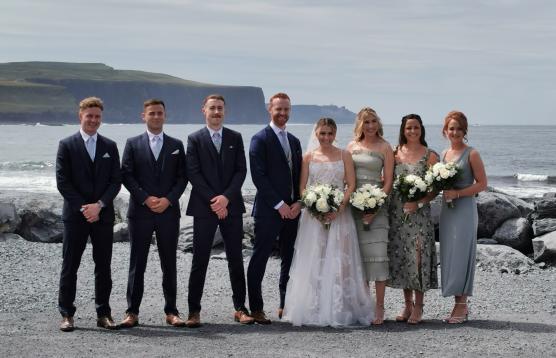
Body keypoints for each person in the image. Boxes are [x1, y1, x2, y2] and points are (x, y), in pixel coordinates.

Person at [282, 118, 374, 327]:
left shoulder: (344, 155)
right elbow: (303, 188)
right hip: (314, 219)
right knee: (315, 259)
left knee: (340, 262)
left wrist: (339, 208)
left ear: (335, 134)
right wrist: (315, 209)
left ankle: (339, 307)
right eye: (322, 133)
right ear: (316, 134)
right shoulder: (308, 157)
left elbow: (351, 184)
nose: (326, 138)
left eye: (330, 133)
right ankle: (314, 307)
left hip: (340, 216)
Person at [185, 94, 253, 327]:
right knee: (200, 259)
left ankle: (240, 308)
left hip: (231, 206)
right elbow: (193, 173)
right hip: (204, 208)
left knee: (236, 258)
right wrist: (215, 201)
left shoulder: (235, 137)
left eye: (220, 108)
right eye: (212, 108)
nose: (216, 112)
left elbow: (240, 171)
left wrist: (225, 198)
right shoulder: (194, 139)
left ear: (225, 111)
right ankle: (194, 311)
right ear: (203, 110)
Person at [120, 99, 188, 328]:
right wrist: (145, 198)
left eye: (160, 113)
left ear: (165, 116)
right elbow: (127, 175)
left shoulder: (176, 144)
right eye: (152, 113)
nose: (156, 116)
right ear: (144, 116)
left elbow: (182, 177)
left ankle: (172, 311)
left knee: (169, 263)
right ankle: (132, 312)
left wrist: (168, 199)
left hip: (168, 212)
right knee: (137, 263)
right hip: (140, 212)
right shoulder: (132, 143)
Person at [56, 97, 122, 332]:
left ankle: (103, 314)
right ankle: (66, 314)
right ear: (80, 116)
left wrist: (100, 205)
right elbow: (63, 182)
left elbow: (116, 180)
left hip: (102, 216)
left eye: (97, 117)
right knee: (70, 265)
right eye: (89, 116)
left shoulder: (110, 146)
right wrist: (85, 207)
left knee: (103, 266)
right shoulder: (67, 144)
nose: (93, 120)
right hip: (76, 216)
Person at [247, 92, 303, 324]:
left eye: (286, 109)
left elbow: (300, 176)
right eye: (278, 109)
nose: (282, 113)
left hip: (293, 211)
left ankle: (284, 304)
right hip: (269, 211)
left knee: (289, 258)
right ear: (270, 110)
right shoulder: (259, 139)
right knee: (259, 258)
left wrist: (298, 202)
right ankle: (257, 308)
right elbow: (258, 177)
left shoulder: (295, 142)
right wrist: (280, 205)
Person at [387, 114, 439, 324]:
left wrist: (418, 203)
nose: (412, 131)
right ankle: (407, 305)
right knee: (403, 257)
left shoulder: (430, 155)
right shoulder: (394, 153)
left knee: (418, 257)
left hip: (419, 214)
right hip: (397, 214)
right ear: (403, 130)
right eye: (409, 128)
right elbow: (387, 181)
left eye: (416, 127)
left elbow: (435, 189)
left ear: (421, 129)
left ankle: (419, 306)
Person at [346, 107, 394, 325]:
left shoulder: (385, 147)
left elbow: (388, 182)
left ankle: (380, 307)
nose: (371, 126)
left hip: (378, 207)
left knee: (379, 258)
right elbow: (347, 179)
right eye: (366, 122)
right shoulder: (351, 147)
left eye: (374, 121)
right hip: (355, 208)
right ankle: (365, 305)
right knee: (360, 261)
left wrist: (375, 206)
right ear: (360, 124)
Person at [439, 111, 487, 324]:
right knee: (449, 253)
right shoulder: (444, 154)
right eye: (451, 128)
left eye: (459, 128)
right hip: (447, 210)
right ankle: (457, 303)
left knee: (462, 253)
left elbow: (482, 184)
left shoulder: (472, 153)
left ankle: (462, 305)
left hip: (465, 208)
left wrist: (458, 193)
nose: (455, 132)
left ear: (464, 131)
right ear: (445, 131)